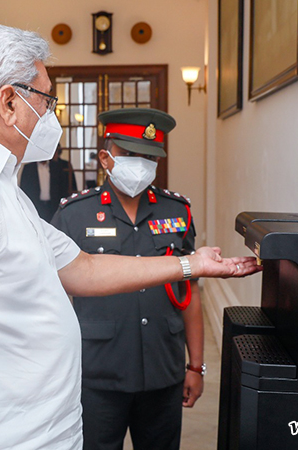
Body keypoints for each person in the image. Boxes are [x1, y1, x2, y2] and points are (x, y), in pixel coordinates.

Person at [0, 24, 261, 450]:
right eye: (46, 100)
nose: (51, 117)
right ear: (8, 102)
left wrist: (194, 264)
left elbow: (82, 266)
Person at [51, 108, 203, 450]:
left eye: (149, 156)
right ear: (106, 157)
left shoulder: (177, 212)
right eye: (130, 154)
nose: (141, 164)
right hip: (98, 374)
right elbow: (53, 298)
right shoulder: (74, 214)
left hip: (163, 370)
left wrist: (196, 365)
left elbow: (190, 292)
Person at [19, 144, 76, 220]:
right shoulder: (29, 168)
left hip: (54, 207)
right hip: (35, 206)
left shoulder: (56, 166)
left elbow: (63, 188)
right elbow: (23, 189)